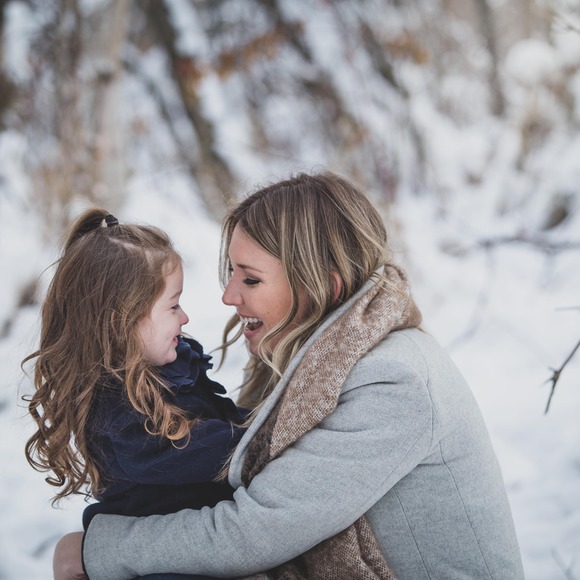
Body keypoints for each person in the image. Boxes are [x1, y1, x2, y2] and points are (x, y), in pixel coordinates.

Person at [54, 173, 525, 580]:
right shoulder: (317, 361)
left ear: (322, 286)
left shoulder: (392, 381)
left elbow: (253, 531)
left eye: (250, 279)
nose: (227, 297)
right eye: (231, 273)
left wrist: (97, 549)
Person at [23, 209, 247, 578]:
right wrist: (258, 438)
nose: (185, 318)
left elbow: (220, 416)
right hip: (155, 554)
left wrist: (260, 419)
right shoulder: (114, 408)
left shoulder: (171, 364)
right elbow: (184, 450)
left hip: (195, 536)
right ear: (121, 323)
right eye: (173, 306)